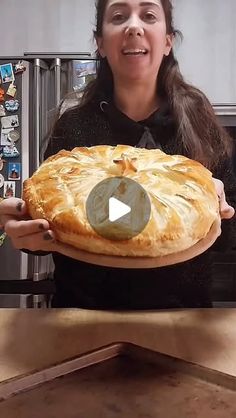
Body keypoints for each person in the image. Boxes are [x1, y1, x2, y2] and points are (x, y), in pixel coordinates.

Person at [0, 0, 235, 309]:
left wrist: (218, 205)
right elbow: (55, 227)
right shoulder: (73, 130)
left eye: (148, 15)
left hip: (180, 320)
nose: (134, 26)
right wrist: (25, 230)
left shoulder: (198, 124)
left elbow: (229, 234)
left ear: (168, 42)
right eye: (119, 16)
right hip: (83, 319)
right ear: (100, 43)